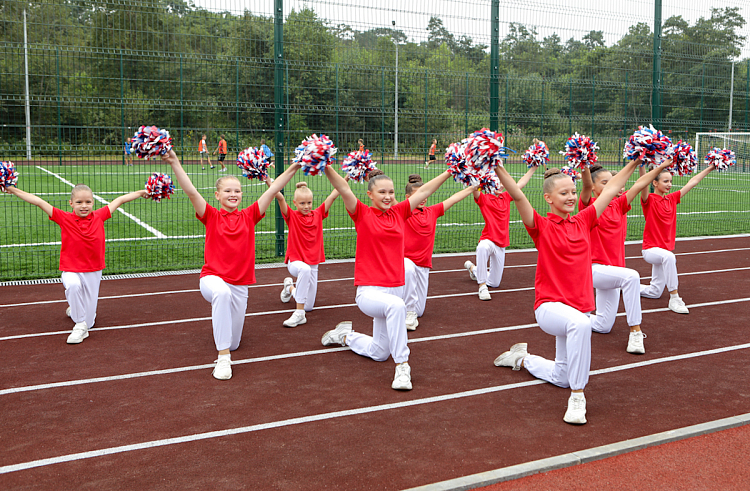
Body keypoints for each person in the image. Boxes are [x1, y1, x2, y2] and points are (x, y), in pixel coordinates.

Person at [492, 159, 640, 425]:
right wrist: (496, 165)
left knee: (561, 375)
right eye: (564, 193)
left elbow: (611, 189)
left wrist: (637, 160)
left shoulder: (584, 221)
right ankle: (578, 396)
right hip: (549, 307)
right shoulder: (541, 226)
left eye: (573, 192)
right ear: (548, 198)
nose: (571, 197)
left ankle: (522, 359)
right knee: (581, 325)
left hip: (578, 308)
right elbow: (517, 195)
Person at [162, 149, 301, 380]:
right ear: (217, 195)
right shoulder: (211, 216)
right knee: (222, 295)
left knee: (235, 341)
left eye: (237, 190)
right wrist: (175, 162)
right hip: (212, 278)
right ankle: (223, 358)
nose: (233, 194)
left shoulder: (250, 215)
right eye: (227, 190)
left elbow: (274, 188)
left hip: (240, 284)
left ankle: (227, 344)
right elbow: (190, 191)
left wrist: (295, 166)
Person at [319, 165, 452, 390]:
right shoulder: (362, 213)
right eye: (382, 192)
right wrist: (325, 165)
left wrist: (451, 170)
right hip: (370, 292)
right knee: (398, 306)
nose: (388, 196)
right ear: (370, 194)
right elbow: (343, 187)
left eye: (391, 192)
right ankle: (403, 366)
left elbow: (425, 191)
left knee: (379, 352)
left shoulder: (400, 212)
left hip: (393, 290)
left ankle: (344, 336)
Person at [3, 183, 147, 344]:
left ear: (93, 203)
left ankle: (76, 310)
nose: (84, 206)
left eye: (88, 202)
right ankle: (79, 326)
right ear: (71, 203)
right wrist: (11, 189)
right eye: (79, 202)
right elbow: (38, 201)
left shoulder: (100, 216)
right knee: (73, 286)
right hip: (70, 268)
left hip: (93, 270)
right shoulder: (64, 218)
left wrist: (142, 192)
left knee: (91, 322)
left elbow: (120, 200)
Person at [579, 158, 673, 354]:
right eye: (604, 182)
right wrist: (584, 162)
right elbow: (586, 184)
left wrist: (660, 166)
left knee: (604, 325)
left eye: (610, 182)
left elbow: (640, 184)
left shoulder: (619, 205)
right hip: (593, 269)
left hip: (613, 272)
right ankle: (636, 332)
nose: (611, 185)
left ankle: (574, 315)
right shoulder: (589, 207)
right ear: (594, 187)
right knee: (632, 277)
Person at [638, 161, 716, 313]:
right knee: (669, 257)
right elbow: (643, 182)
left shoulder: (672, 199)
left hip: (663, 251)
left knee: (655, 292)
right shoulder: (649, 200)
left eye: (670, 181)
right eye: (665, 181)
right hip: (651, 250)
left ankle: (625, 286)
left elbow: (692, 182)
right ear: (654, 182)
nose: (669, 185)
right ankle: (674, 298)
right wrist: (642, 161)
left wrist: (711, 167)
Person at [403, 174, 476, 330]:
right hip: (405, 263)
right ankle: (404, 309)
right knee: (407, 269)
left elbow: (454, 199)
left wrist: (473, 187)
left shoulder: (432, 211)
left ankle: (409, 309)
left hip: (423, 266)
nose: (422, 199)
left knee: (420, 311)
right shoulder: (403, 211)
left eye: (425, 195)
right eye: (417, 196)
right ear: (408, 197)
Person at [270, 180, 340, 327]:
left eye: (309, 202)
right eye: (302, 203)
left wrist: (349, 175)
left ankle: (289, 287)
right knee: (304, 269)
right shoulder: (292, 216)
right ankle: (299, 314)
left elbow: (333, 195)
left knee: (309, 306)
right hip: (295, 262)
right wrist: (266, 179)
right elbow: (280, 197)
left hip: (313, 264)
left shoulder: (318, 213)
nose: (306, 206)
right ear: (295, 203)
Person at [464, 165, 538, 300]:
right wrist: (474, 172)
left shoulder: (506, 196)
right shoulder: (484, 198)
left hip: (501, 244)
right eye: (495, 181)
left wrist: (533, 168)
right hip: (488, 239)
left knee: (495, 283)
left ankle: (473, 268)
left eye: (500, 181)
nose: (499, 184)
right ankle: (481, 286)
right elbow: (475, 189)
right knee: (482, 247)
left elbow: (520, 183)